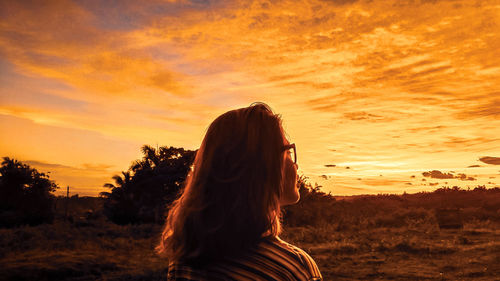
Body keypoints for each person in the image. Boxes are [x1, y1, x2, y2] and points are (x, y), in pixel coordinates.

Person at [157, 102, 322, 281]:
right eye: (288, 152)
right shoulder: (292, 270)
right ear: (263, 166)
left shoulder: (184, 257)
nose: (296, 164)